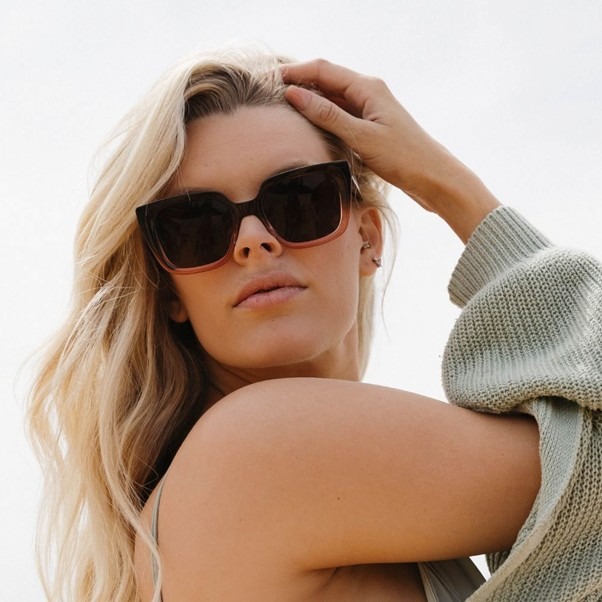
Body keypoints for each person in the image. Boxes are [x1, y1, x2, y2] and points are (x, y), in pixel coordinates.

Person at [27, 48, 602, 602]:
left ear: (368, 238)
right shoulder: (257, 449)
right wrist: (449, 186)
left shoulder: (203, 499)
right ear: (168, 290)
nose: (254, 240)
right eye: (196, 226)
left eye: (298, 199)